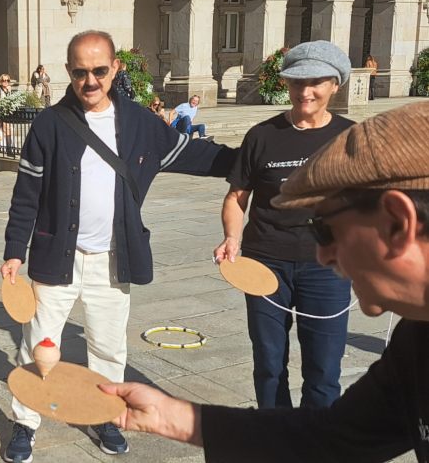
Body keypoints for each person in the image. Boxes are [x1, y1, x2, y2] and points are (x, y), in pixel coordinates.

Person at [100, 100, 429, 463]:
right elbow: (335, 437)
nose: (323, 255)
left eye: (325, 230)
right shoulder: (414, 341)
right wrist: (172, 417)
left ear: (399, 223)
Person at [0, 29, 238, 463]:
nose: (89, 81)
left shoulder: (140, 123)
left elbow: (195, 155)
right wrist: (15, 250)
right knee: (38, 343)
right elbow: (27, 193)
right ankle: (24, 421)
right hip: (57, 259)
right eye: (79, 73)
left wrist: (251, 162)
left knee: (109, 347)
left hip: (113, 259)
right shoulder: (50, 124)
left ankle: (106, 415)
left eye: (99, 71)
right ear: (69, 72)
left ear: (115, 69)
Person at [213, 40, 355, 410]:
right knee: (269, 364)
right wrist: (232, 237)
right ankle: (275, 436)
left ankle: (317, 443)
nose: (305, 92)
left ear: (335, 84)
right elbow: (237, 197)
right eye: (296, 83)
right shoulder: (262, 136)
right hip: (264, 262)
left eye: (316, 83)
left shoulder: (353, 138)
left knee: (324, 370)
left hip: (327, 268)